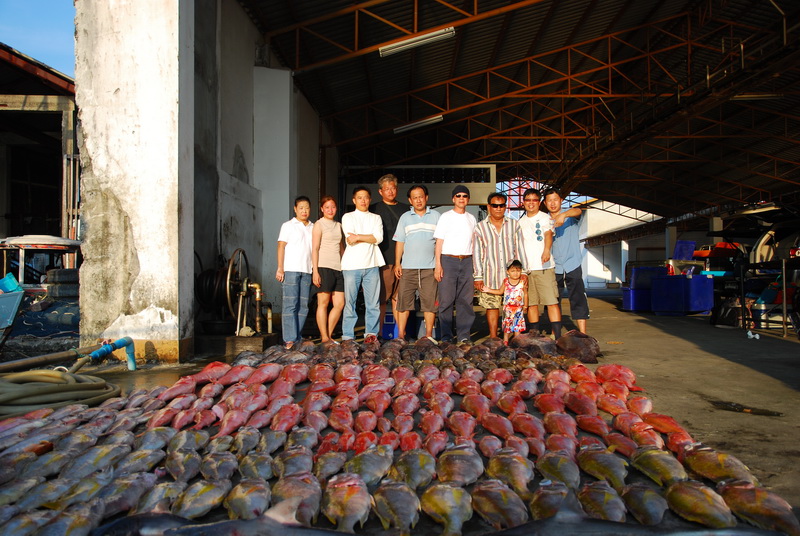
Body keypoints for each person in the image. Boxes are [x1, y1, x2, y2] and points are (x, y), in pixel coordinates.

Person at [473, 192, 526, 339]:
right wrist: (478, 276)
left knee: (514, 307)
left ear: (505, 206)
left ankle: (515, 338)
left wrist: (524, 272)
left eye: (501, 205)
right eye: (495, 205)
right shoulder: (480, 228)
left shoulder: (514, 225)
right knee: (492, 306)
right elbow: (477, 253)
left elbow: (520, 249)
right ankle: (493, 337)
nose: (498, 208)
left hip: (513, 277)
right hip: (490, 274)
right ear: (489, 207)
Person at [393, 184, 440, 341]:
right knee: (404, 303)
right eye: (415, 198)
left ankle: (428, 336)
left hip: (430, 268)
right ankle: (401, 336)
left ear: (426, 197)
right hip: (408, 268)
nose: (418, 200)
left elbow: (440, 242)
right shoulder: (405, 218)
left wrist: (439, 265)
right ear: (410, 200)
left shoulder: (436, 216)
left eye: (421, 196)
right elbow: (400, 242)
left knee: (429, 304)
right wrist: (397, 263)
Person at [434, 185, 477, 344]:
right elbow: (439, 241)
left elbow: (474, 243)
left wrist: (474, 265)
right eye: (458, 195)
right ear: (453, 199)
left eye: (464, 196)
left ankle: (464, 336)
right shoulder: (445, 216)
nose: (461, 198)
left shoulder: (471, 218)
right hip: (448, 260)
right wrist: (438, 264)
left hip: (467, 260)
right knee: (446, 300)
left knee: (465, 301)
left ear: (468, 199)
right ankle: (446, 337)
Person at [341, 186, 384, 343]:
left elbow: (378, 238)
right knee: (350, 303)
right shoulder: (348, 217)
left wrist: (358, 236)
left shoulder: (376, 218)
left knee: (373, 303)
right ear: (354, 200)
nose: (363, 200)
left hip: (372, 265)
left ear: (370, 200)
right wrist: (368, 237)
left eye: (366, 197)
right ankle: (347, 336)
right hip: (351, 266)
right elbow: (349, 238)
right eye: (359, 197)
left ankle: (371, 334)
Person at [518, 187, 563, 338]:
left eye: (534, 200)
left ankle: (556, 336)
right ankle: (534, 335)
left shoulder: (545, 218)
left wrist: (546, 250)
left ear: (539, 202)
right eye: (528, 200)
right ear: (523, 203)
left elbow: (548, 234)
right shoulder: (520, 222)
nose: (531, 203)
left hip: (544, 267)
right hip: (527, 269)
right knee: (531, 304)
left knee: (551, 301)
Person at [543, 187, 589, 333]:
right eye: (549, 200)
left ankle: (582, 333)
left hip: (572, 263)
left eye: (556, 199)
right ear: (545, 203)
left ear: (561, 200)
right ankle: (554, 333)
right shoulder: (543, 220)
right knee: (552, 300)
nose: (553, 203)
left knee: (578, 297)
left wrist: (563, 215)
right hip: (552, 265)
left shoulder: (570, 215)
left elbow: (578, 211)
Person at [370, 174, 409, 334]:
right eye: (387, 189)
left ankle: (401, 335)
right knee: (380, 300)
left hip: (403, 260)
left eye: (393, 188)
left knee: (398, 299)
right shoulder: (373, 209)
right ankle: (378, 335)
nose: (390, 191)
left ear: (397, 189)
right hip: (382, 260)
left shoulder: (406, 209)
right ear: (380, 191)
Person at [276, 196, 314, 349]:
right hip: (291, 269)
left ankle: (297, 336)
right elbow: (281, 246)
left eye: (307, 208)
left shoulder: (313, 226)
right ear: (295, 209)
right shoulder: (288, 225)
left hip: (307, 270)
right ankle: (289, 339)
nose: (304, 211)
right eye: (301, 208)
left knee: (303, 305)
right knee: (290, 305)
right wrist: (280, 268)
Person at [311, 196, 345, 343]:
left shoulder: (339, 225)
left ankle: (329, 335)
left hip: (338, 267)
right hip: (324, 266)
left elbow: (341, 246)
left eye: (333, 207)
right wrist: (316, 271)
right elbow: (315, 248)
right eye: (327, 207)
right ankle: (324, 336)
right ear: (322, 209)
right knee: (323, 303)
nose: (330, 210)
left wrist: (345, 264)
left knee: (339, 304)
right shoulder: (319, 224)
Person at [482, 259, 527, 345]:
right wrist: (489, 290)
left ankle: (516, 342)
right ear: (507, 272)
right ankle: (505, 342)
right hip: (508, 310)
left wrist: (525, 306)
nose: (515, 273)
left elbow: (525, 294)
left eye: (518, 271)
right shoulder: (506, 281)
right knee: (507, 327)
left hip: (518, 310)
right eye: (512, 271)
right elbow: (500, 291)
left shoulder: (522, 282)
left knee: (517, 327)